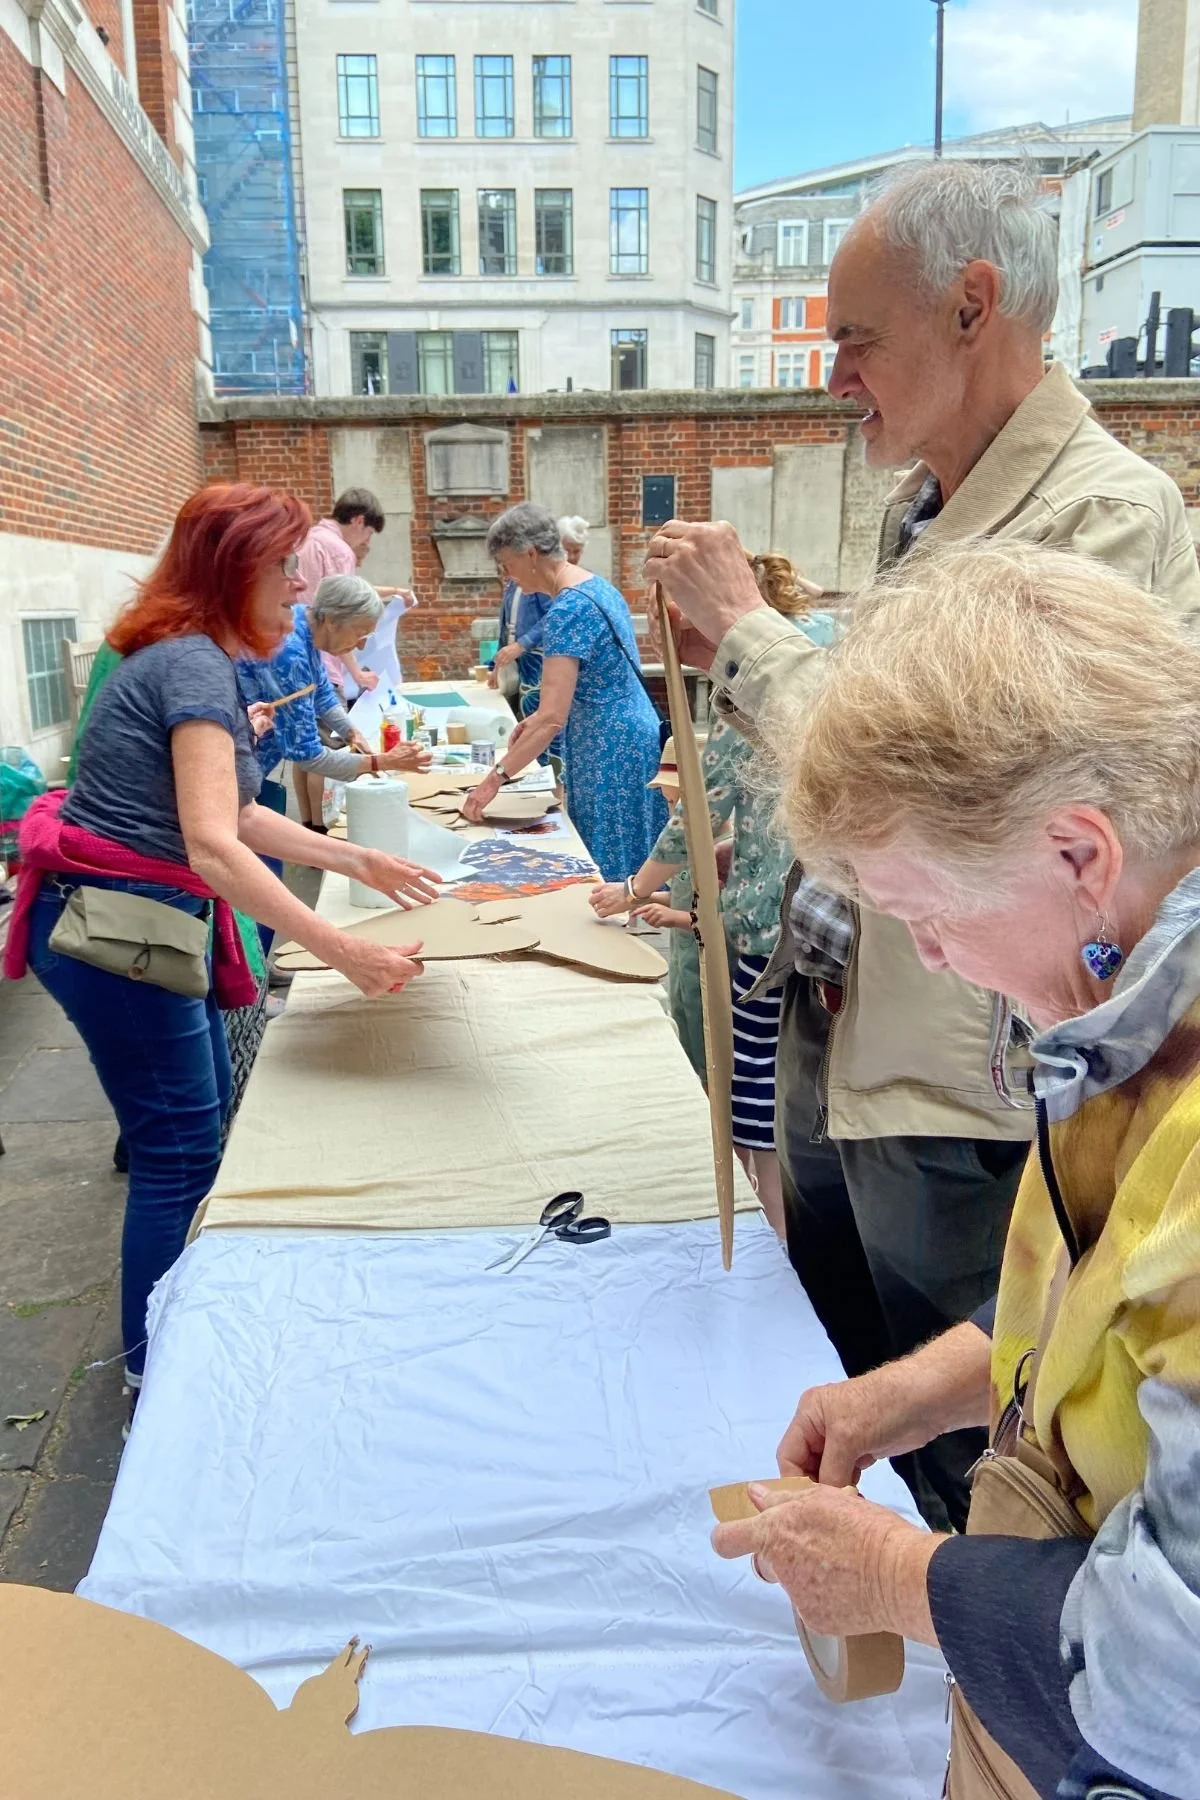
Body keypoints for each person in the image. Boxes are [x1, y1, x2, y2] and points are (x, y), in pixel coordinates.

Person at [647, 158, 1200, 1531]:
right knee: (859, 1380)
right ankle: (899, 1634)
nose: (837, 376)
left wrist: (761, 636)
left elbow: (961, 787)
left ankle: (963, 1656)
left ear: (973, 305)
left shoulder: (1104, 514)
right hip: (859, 1025)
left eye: (857, 338)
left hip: (963, 1075)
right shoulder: (929, 506)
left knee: (996, 1455)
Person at [712, 540, 1200, 1800]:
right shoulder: (1126, 1007)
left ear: (1078, 855)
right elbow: (1121, 1304)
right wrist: (921, 1394)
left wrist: (891, 1577)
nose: (926, 957)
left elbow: (1178, 1678)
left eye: (928, 911)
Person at [3, 484, 439, 1423]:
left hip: (137, 922)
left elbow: (237, 814)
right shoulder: (195, 667)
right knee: (178, 1150)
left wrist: (354, 856)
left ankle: (178, 1336)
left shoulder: (195, 657)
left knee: (192, 1142)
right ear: (234, 569)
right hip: (116, 933)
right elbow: (213, 845)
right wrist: (334, 946)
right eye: (283, 569)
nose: (297, 589)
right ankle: (157, 1371)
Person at [593, 555, 836, 1238]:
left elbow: (698, 808)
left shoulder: (758, 697)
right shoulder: (811, 664)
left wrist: (633, 888)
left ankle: (767, 1245)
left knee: (755, 1111)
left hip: (767, 938)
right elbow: (755, 822)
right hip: (798, 927)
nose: (673, 651)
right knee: (777, 1102)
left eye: (670, 631)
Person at [463, 503, 665, 879]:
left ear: (530, 554)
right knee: (627, 865)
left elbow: (554, 716)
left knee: (607, 871)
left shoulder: (567, 610)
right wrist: (537, 718)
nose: (508, 578)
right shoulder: (596, 587)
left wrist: (493, 781)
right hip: (627, 733)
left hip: (610, 747)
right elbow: (577, 690)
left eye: (507, 565)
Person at [237, 574, 430, 831]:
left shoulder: (304, 621)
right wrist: (382, 762)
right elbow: (309, 757)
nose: (361, 647)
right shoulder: (289, 652)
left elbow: (321, 691)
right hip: (231, 771)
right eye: (360, 633)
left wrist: (352, 732)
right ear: (330, 620)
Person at [297, 487, 395, 696]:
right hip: (325, 667)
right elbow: (345, 614)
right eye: (369, 533)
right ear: (359, 521)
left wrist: (396, 591)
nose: (367, 541)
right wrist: (357, 673)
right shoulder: (339, 551)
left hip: (297, 658)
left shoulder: (307, 539)